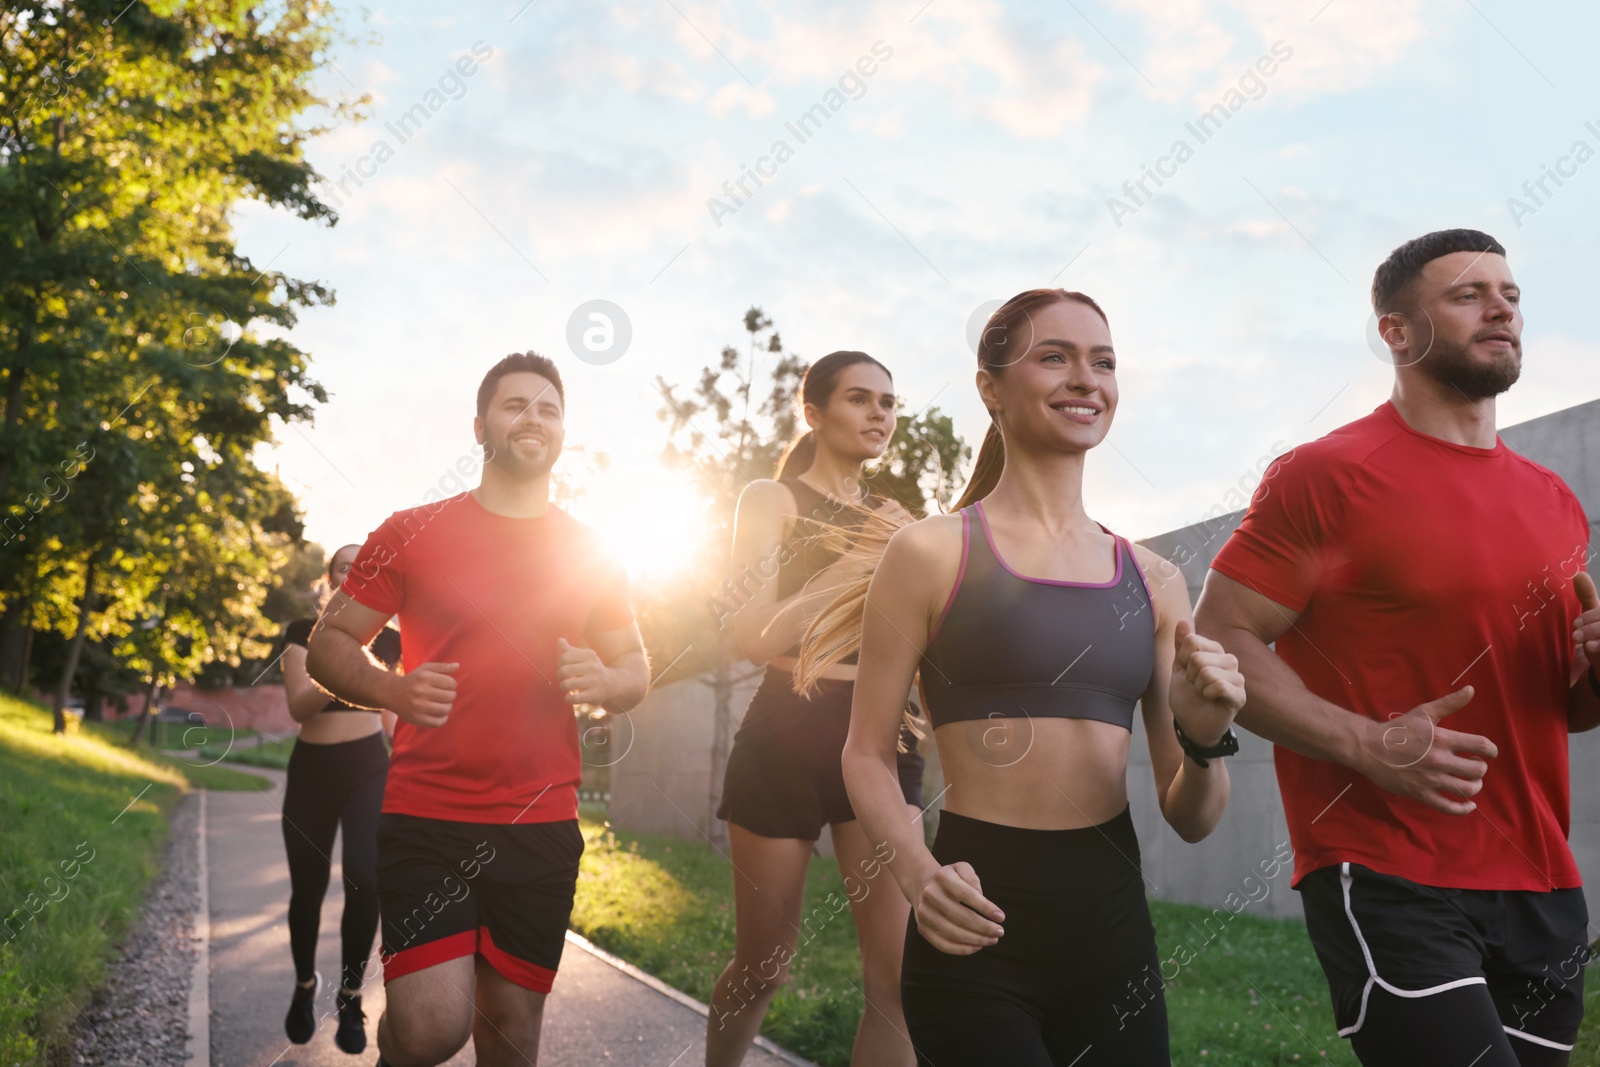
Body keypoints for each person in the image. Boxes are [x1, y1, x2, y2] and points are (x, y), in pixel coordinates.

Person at [1195, 229, 1600, 1067]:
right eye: (1467, 294)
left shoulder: (1555, 501)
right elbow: (1221, 635)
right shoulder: (1326, 474)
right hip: (1389, 864)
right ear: (1397, 331)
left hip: (1541, 878)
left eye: (1511, 294)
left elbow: (1564, 704)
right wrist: (1367, 744)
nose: (1502, 308)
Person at [814, 289, 1245, 1066]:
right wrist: (918, 874)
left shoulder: (1153, 581)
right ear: (991, 388)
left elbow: (1193, 815)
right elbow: (865, 753)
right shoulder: (929, 553)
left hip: (1114, 940)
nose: (1087, 379)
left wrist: (1206, 737)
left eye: (1103, 362)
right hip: (975, 926)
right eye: (1055, 357)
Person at [305, 352, 650, 1067]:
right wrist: (393, 689)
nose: (534, 418)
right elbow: (329, 641)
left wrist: (606, 681)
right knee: (433, 1028)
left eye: (549, 408)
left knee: (511, 1033)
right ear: (479, 426)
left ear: (563, 432)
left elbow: (636, 668)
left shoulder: (594, 550)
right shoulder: (409, 530)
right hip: (428, 816)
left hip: (541, 821)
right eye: (515, 405)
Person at [706, 350, 926, 1067]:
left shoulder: (897, 520)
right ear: (814, 412)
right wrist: (860, 554)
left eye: (888, 403)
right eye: (860, 399)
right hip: (789, 726)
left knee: (897, 979)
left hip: (880, 732)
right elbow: (753, 633)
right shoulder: (773, 500)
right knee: (765, 964)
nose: (879, 415)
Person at [279, 543, 403, 1053]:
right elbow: (298, 706)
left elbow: (394, 719)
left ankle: (351, 997)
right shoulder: (300, 634)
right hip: (311, 772)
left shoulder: (393, 643)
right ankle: (305, 984)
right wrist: (340, 663)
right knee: (307, 889)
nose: (354, 572)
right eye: (344, 567)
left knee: (366, 879)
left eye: (364, 567)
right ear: (330, 580)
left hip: (368, 770)